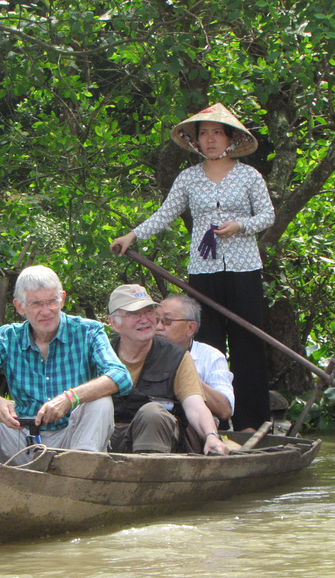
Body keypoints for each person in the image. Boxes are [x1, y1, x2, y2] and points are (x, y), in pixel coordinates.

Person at [109, 103, 274, 430]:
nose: (210, 139)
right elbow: (165, 214)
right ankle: (205, 419)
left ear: (230, 138)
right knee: (205, 341)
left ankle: (250, 422)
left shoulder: (248, 175)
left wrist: (238, 226)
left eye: (217, 133)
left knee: (248, 344)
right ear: (196, 141)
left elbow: (267, 216)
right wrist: (132, 235)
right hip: (204, 270)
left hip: (244, 270)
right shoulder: (188, 178)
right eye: (204, 134)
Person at [0, 265, 132, 463]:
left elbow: (120, 376)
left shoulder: (88, 332)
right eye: (36, 304)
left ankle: (78, 477)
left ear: (62, 299)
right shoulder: (9, 337)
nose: (46, 311)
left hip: (72, 439)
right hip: (20, 438)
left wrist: (70, 398)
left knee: (101, 401)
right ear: (20, 306)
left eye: (51, 302)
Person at [107, 284, 229, 456]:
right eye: (134, 314)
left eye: (149, 311)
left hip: (162, 444)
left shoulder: (176, 356)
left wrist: (211, 436)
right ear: (114, 323)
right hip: (109, 441)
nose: (145, 319)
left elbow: (196, 406)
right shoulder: (101, 355)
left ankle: (149, 479)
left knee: (152, 413)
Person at [156, 294, 234, 423]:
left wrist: (184, 374)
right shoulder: (143, 351)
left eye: (166, 321)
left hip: (192, 431)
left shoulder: (211, 356)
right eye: (156, 320)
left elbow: (224, 410)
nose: (158, 327)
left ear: (190, 328)